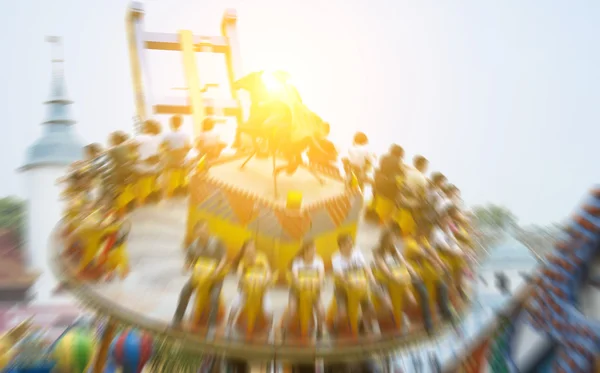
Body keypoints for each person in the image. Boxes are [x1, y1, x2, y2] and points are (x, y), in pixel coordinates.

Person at [173, 220, 227, 328]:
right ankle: (178, 317)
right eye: (201, 231)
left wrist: (218, 270)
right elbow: (188, 260)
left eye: (205, 229)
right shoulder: (193, 246)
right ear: (197, 233)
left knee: (214, 297)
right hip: (199, 276)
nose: (204, 232)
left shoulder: (217, 241)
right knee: (185, 291)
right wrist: (187, 266)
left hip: (214, 277)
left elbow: (224, 258)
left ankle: (211, 325)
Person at [331, 234, 377, 334]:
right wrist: (349, 282)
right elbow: (340, 275)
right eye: (347, 243)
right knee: (342, 312)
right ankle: (335, 325)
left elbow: (365, 267)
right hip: (342, 288)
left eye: (351, 242)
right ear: (341, 246)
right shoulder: (336, 257)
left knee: (370, 309)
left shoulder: (357, 253)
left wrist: (371, 277)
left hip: (359, 286)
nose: (350, 245)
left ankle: (361, 323)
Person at [280, 240, 326, 338]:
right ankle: (284, 328)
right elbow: (295, 277)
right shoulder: (297, 262)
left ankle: (320, 328)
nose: (314, 252)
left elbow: (321, 277)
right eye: (312, 250)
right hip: (297, 291)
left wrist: (316, 283)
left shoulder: (319, 261)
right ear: (306, 251)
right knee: (292, 309)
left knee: (321, 310)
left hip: (313, 291)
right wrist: (302, 283)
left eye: (315, 250)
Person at [226, 240, 273, 327]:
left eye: (252, 246)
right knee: (234, 306)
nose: (250, 249)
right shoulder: (243, 261)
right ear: (244, 250)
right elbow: (239, 275)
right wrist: (243, 281)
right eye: (248, 247)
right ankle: (229, 325)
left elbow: (268, 271)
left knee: (268, 310)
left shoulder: (262, 257)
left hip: (261, 290)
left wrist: (267, 280)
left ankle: (270, 329)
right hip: (245, 291)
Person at [372, 228, 417, 306]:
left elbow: (403, 262)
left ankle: (400, 313)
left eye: (395, 238)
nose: (394, 240)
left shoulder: (394, 250)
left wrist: (412, 270)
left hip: (397, 277)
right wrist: (391, 275)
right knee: (388, 305)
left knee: (411, 300)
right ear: (385, 239)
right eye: (392, 238)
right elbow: (382, 265)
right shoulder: (377, 250)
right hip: (383, 279)